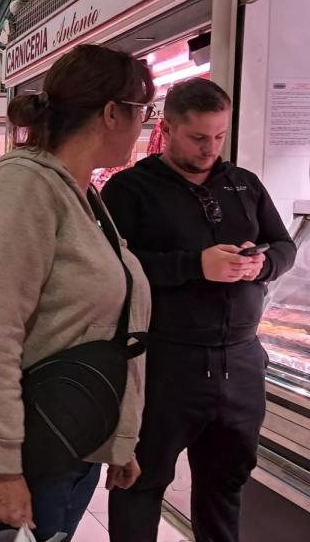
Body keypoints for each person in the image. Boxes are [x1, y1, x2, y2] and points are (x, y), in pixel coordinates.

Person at [0, 44, 155, 540]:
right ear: (111, 113)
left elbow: (96, 324)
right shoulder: (22, 188)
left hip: (68, 436)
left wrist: (118, 439)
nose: (145, 126)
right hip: (28, 444)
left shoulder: (80, 194)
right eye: (143, 113)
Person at [103, 78, 297, 542]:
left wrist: (262, 264)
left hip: (241, 361)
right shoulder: (130, 189)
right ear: (167, 129)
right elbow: (113, 269)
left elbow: (285, 246)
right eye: (198, 138)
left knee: (226, 486)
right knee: (141, 484)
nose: (211, 148)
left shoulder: (244, 184)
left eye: (219, 136)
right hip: (166, 361)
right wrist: (195, 266)